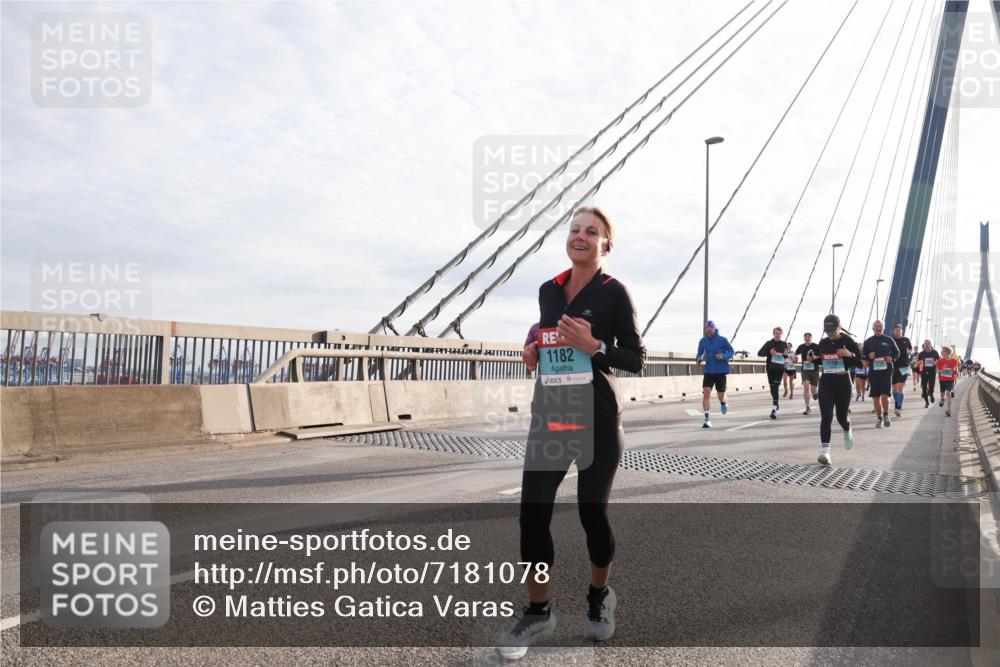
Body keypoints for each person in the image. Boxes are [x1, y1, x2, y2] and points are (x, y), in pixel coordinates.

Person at [498, 206, 645, 660]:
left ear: (606, 245)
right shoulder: (549, 289)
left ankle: (600, 596)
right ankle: (539, 612)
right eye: (575, 230)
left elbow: (636, 358)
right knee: (532, 516)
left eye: (592, 232)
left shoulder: (614, 293)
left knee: (591, 515)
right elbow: (545, 329)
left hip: (598, 418)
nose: (580, 236)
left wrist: (595, 347)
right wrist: (532, 347)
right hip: (553, 415)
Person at [815, 315, 860, 465]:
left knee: (841, 418)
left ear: (839, 327)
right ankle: (825, 452)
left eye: (832, 330)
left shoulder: (848, 341)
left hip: (843, 382)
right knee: (826, 418)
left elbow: (860, 362)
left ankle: (847, 429)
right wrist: (812, 359)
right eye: (827, 331)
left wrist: (849, 354)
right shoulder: (822, 342)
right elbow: (819, 360)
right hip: (826, 382)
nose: (830, 333)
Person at [862, 320, 900, 429]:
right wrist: (868, 356)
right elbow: (863, 355)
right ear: (873, 328)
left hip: (886, 372)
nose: (878, 328)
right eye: (876, 326)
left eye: (880, 326)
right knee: (876, 397)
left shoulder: (889, 340)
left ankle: (886, 415)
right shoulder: (868, 341)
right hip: (874, 373)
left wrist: (892, 358)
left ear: (883, 328)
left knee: (885, 395)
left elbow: (897, 353)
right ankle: (879, 418)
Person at [696, 320, 734, 428]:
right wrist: (698, 359)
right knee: (706, 392)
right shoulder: (703, 341)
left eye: (710, 328)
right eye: (707, 328)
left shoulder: (722, 340)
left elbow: (731, 351)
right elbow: (699, 352)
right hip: (709, 371)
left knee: (720, 396)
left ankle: (723, 403)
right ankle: (707, 419)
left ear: (714, 328)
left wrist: (723, 356)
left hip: (720, 371)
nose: (708, 330)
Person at [759, 327, 792, 419]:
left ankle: (774, 409)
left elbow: (786, 357)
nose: (777, 335)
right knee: (772, 389)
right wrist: (769, 353)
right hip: (770, 368)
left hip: (780, 369)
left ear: (781, 334)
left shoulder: (784, 344)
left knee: (776, 387)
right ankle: (776, 403)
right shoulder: (769, 343)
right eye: (776, 333)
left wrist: (786, 355)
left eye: (779, 333)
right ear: (773, 334)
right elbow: (759, 353)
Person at [890, 324, 913, 418]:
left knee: (900, 387)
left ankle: (898, 407)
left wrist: (909, 352)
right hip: (894, 367)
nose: (899, 331)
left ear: (902, 331)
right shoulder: (890, 340)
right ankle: (897, 402)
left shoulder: (906, 340)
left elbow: (910, 349)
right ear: (893, 331)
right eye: (896, 330)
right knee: (894, 389)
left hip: (904, 367)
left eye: (900, 330)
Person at [796, 332, 821, 415]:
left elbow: (821, 356)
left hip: (814, 370)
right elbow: (795, 354)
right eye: (805, 337)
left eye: (808, 337)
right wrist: (794, 358)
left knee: (813, 390)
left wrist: (814, 358)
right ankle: (807, 407)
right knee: (806, 386)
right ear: (804, 338)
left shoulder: (816, 346)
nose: (807, 338)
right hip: (805, 369)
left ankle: (815, 393)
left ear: (811, 338)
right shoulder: (801, 347)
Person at [936, 345, 959, 417]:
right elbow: (936, 369)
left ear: (946, 352)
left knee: (948, 393)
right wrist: (940, 371)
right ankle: (943, 399)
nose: (941, 352)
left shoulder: (953, 361)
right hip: (942, 379)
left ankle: (949, 410)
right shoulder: (940, 361)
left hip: (950, 379)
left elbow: (956, 368)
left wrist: (956, 372)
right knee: (942, 393)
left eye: (942, 351)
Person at [917, 340, 940, 408]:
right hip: (924, 371)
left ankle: (931, 394)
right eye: (925, 344)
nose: (927, 345)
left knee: (931, 384)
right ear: (924, 345)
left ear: (930, 345)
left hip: (932, 371)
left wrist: (937, 367)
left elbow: (939, 360)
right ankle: (926, 402)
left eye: (928, 344)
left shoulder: (935, 352)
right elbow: (918, 361)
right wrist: (916, 363)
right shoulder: (921, 353)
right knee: (924, 387)